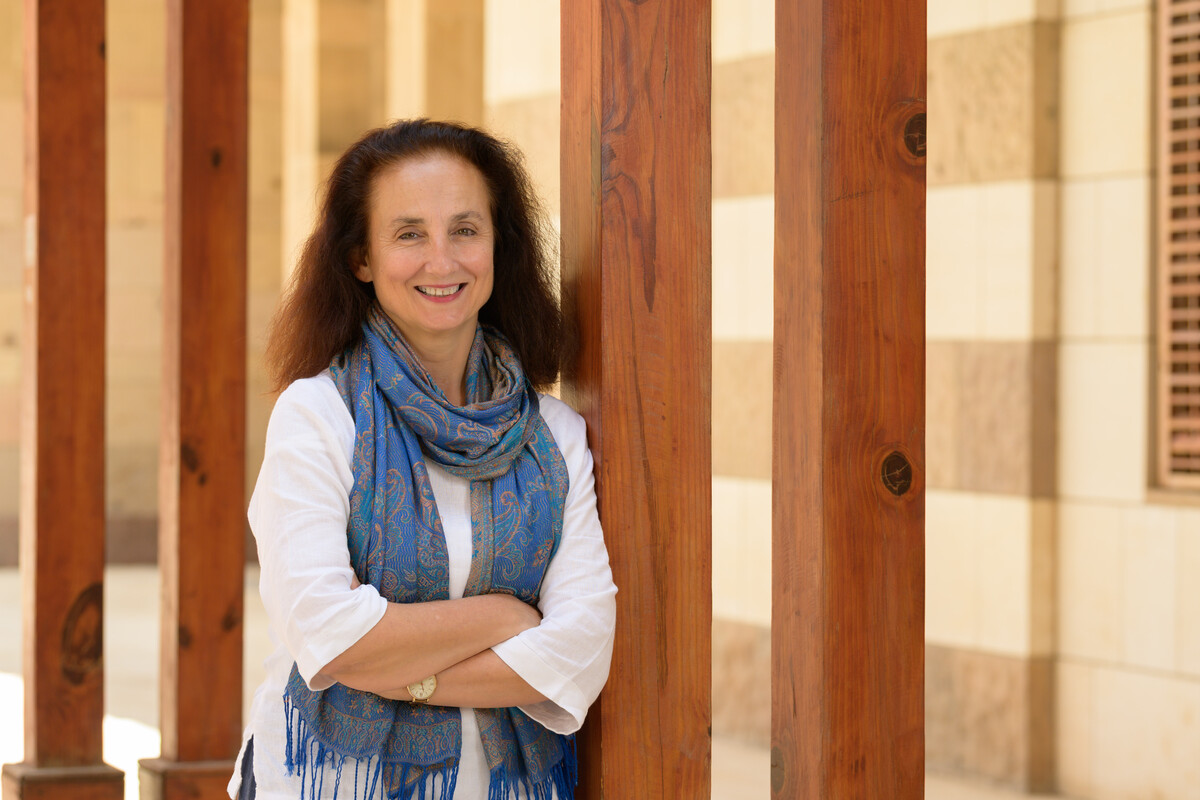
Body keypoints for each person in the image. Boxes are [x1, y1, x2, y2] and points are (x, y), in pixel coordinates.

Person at [228, 119, 617, 800]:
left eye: (465, 229)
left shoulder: (554, 435)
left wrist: (396, 670)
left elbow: (580, 651)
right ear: (361, 258)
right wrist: (505, 619)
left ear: (498, 245)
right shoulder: (317, 415)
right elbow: (327, 633)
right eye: (409, 234)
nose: (442, 261)